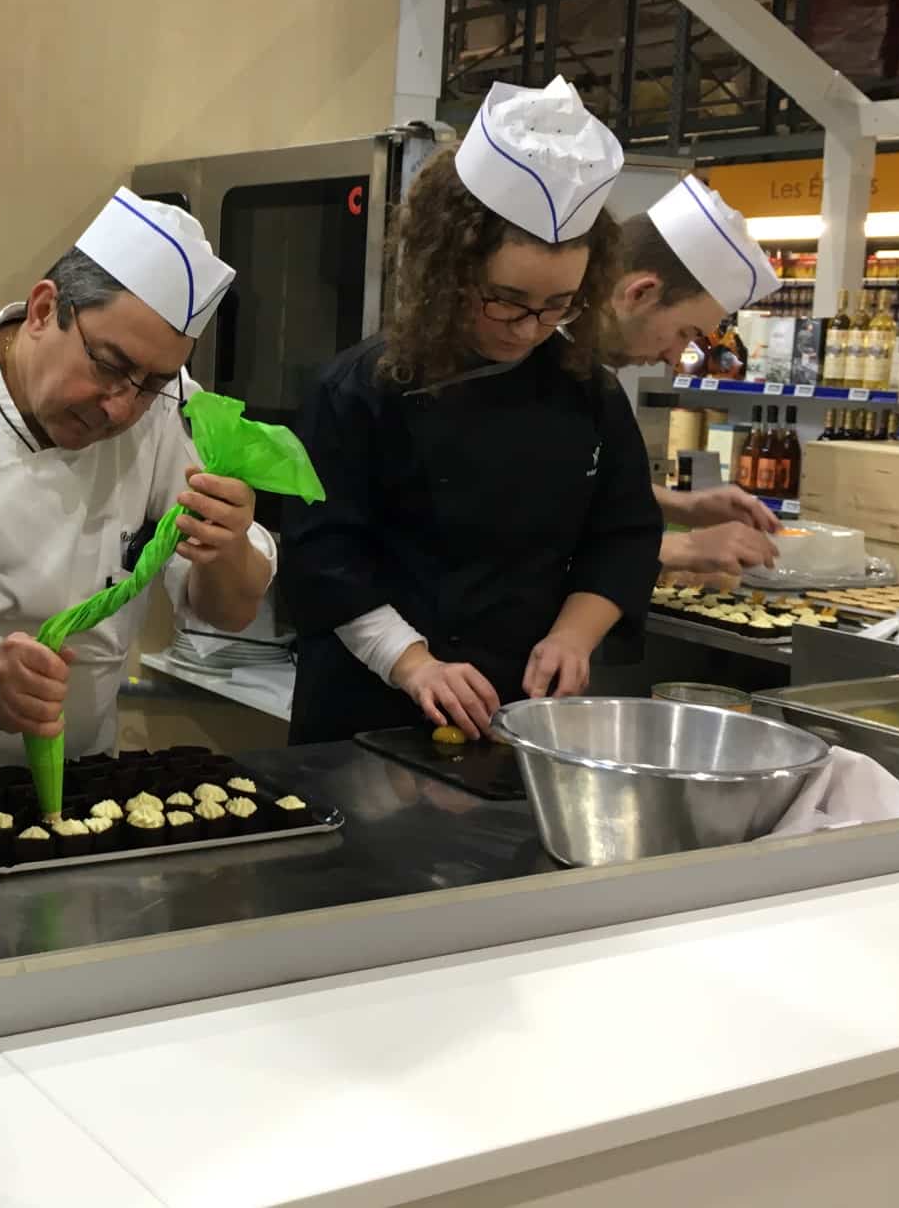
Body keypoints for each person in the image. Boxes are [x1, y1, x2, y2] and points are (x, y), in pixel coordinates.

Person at [0, 189, 278, 772]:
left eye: (153, 381)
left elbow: (227, 611)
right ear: (42, 310)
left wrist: (227, 547)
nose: (121, 408)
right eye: (109, 365)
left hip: (85, 782)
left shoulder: (168, 410)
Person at [281, 78, 662, 743]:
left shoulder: (588, 393)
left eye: (557, 306)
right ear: (447, 270)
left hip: (519, 715)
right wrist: (416, 664)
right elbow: (325, 558)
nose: (527, 328)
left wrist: (573, 637)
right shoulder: (359, 389)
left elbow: (623, 536)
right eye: (506, 299)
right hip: (368, 711)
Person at [599, 175, 783, 578]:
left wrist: (684, 507)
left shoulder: (596, 382)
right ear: (640, 294)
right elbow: (515, 525)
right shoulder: (521, 359)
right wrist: (675, 547)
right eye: (685, 333)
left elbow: (578, 487)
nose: (673, 356)